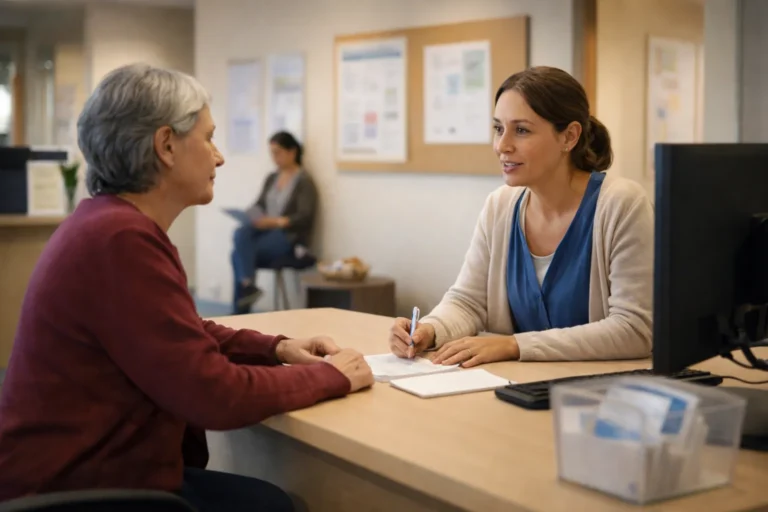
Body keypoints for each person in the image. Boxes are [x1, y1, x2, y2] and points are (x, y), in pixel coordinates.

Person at [0, 63, 374, 511]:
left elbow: (179, 333)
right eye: (209, 138)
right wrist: (330, 376)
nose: (219, 157)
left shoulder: (104, 225)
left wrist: (276, 348)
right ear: (166, 146)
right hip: (81, 493)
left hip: (88, 475)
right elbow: (214, 395)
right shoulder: (120, 241)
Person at [389, 66, 654, 367]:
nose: (502, 146)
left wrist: (514, 345)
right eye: (498, 129)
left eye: (522, 130)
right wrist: (429, 330)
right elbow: (468, 301)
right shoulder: (500, 206)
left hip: (600, 390)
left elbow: (634, 329)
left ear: (569, 137)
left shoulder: (621, 204)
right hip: (521, 385)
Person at [231, 131, 317, 314]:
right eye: (272, 153)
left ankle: (241, 308)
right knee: (240, 232)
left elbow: (304, 216)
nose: (274, 158)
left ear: (292, 152)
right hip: (265, 233)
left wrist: (276, 222)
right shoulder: (272, 178)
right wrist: (252, 215)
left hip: (287, 237)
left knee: (237, 254)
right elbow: (259, 204)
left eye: (278, 152)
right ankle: (248, 287)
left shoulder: (304, 181)